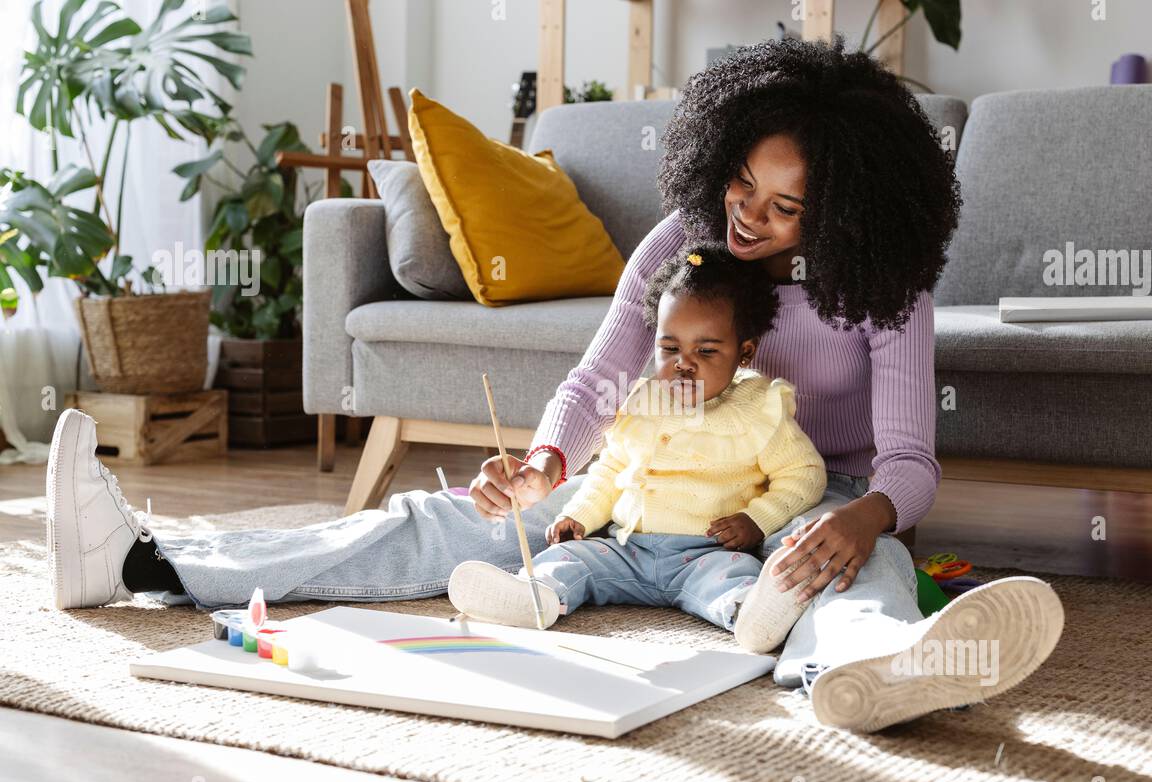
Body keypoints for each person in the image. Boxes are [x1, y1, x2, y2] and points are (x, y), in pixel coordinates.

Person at [44, 34, 1063, 732]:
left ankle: (870, 672)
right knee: (439, 525)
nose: (747, 218)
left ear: (842, 214)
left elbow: (908, 462)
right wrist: (540, 465)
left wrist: (870, 514)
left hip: (801, 493)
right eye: (741, 186)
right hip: (645, 479)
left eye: (784, 207)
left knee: (850, 567)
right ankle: (144, 560)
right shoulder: (680, 244)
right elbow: (596, 382)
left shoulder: (887, 286)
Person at [449, 242, 828, 654]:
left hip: (706, 553)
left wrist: (757, 519)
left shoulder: (759, 408)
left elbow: (804, 475)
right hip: (626, 548)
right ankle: (533, 596)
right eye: (670, 349)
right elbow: (611, 471)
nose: (684, 363)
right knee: (571, 559)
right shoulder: (641, 399)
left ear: (744, 352)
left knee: (736, 577)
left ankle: (752, 616)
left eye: (706, 351)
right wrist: (578, 515)